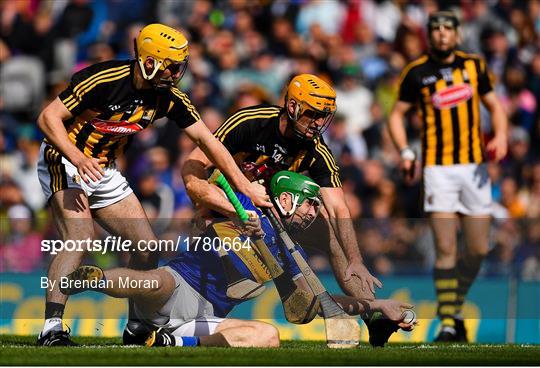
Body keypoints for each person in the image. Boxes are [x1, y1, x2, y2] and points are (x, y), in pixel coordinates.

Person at [36, 23, 270, 346]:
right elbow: (48, 118)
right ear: (150, 62)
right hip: (64, 156)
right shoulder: (104, 80)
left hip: (103, 167)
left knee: (146, 244)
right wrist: (77, 158)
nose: (177, 74)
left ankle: (137, 328)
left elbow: (207, 140)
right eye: (172, 67)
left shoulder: (170, 99)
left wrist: (243, 184)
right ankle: (51, 328)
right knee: (80, 235)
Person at [60, 171, 415, 348]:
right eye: (310, 203)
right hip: (180, 285)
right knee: (156, 282)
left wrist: (374, 305)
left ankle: (167, 342)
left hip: (207, 320)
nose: (314, 213)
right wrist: (221, 214)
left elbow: (318, 305)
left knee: (267, 336)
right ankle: (94, 279)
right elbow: (201, 191)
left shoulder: (293, 255)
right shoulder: (245, 204)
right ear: (287, 200)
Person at [181, 74, 401, 346]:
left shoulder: (315, 149)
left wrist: (356, 259)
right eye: (314, 114)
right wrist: (219, 204)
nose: (320, 123)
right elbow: (194, 167)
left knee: (330, 235)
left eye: (325, 116)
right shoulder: (251, 122)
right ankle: (186, 319)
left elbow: (339, 207)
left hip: (271, 217)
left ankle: (374, 316)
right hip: (228, 210)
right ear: (294, 107)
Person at [388, 11, 508, 342]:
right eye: (436, 29)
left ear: (457, 33)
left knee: (479, 249)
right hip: (438, 169)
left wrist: (500, 135)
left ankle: (452, 307)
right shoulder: (416, 72)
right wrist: (406, 152)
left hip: (474, 167)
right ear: (429, 34)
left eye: (448, 29)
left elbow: (495, 106)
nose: (442, 34)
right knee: (445, 248)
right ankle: (448, 322)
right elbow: (396, 116)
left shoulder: (474, 66)